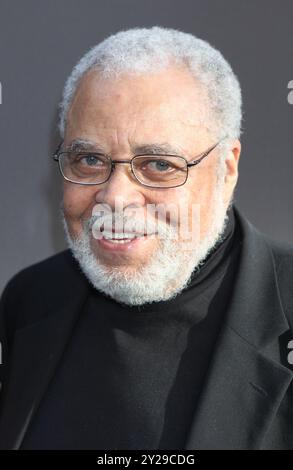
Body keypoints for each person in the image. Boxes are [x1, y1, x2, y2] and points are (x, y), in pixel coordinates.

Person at [0, 26, 292, 450]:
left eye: (158, 164)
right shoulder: (28, 302)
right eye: (90, 159)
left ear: (227, 169)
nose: (115, 198)